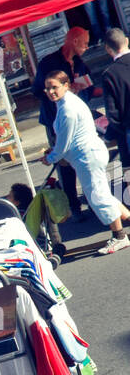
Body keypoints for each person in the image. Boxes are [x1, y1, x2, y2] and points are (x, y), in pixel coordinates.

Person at [40, 70, 130, 254]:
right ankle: (125, 221)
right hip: (87, 155)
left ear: (66, 86)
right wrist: (55, 153)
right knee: (101, 193)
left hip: (87, 157)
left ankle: (120, 236)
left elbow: (64, 143)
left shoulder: (68, 109)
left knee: (98, 196)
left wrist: (50, 158)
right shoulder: (65, 103)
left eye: (54, 87)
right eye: (47, 88)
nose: (50, 92)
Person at [32, 26, 93, 218]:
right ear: (74, 41)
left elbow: (89, 86)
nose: (86, 47)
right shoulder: (48, 63)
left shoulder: (80, 62)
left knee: (83, 159)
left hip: (77, 117)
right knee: (64, 163)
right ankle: (74, 207)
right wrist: (55, 93)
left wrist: (81, 87)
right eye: (84, 43)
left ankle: (92, 201)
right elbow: (36, 91)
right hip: (54, 119)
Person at [102, 27, 130, 171]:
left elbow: (113, 115)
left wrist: (110, 136)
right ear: (127, 41)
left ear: (108, 48)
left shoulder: (109, 75)